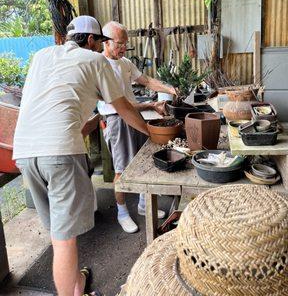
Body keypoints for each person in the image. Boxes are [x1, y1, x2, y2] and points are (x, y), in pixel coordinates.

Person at [13, 16, 149, 296]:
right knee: (64, 240)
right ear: (91, 40)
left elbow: (55, 101)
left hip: (25, 152)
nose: (101, 47)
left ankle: (76, 287)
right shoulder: (95, 60)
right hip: (60, 152)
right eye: (100, 42)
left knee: (59, 233)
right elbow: (123, 107)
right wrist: (150, 131)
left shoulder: (41, 56)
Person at [98, 21, 177, 234]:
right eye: (120, 43)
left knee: (144, 160)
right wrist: (151, 104)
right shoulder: (98, 64)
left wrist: (168, 87)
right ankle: (122, 213)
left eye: (126, 43)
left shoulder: (124, 63)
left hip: (134, 115)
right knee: (122, 170)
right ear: (105, 41)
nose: (124, 48)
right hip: (116, 120)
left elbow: (147, 80)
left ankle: (144, 205)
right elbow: (119, 103)